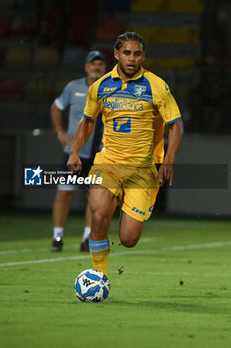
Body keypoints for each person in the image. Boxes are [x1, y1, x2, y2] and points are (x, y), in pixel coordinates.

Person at [67, 32, 184, 276]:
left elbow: (176, 124)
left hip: (142, 170)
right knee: (98, 215)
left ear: (143, 56)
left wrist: (168, 159)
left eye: (137, 53)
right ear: (117, 55)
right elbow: (87, 121)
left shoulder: (156, 86)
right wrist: (74, 152)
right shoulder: (101, 86)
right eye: (127, 53)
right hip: (108, 163)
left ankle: (126, 206)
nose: (132, 58)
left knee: (129, 239)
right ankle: (100, 276)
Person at [51, 50, 106, 252]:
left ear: (105, 67)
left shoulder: (110, 89)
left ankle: (86, 239)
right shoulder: (73, 87)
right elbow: (56, 107)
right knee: (64, 195)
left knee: (95, 200)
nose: (96, 67)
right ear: (86, 67)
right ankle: (57, 237)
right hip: (73, 153)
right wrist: (60, 132)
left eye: (100, 64)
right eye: (93, 64)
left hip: (100, 155)